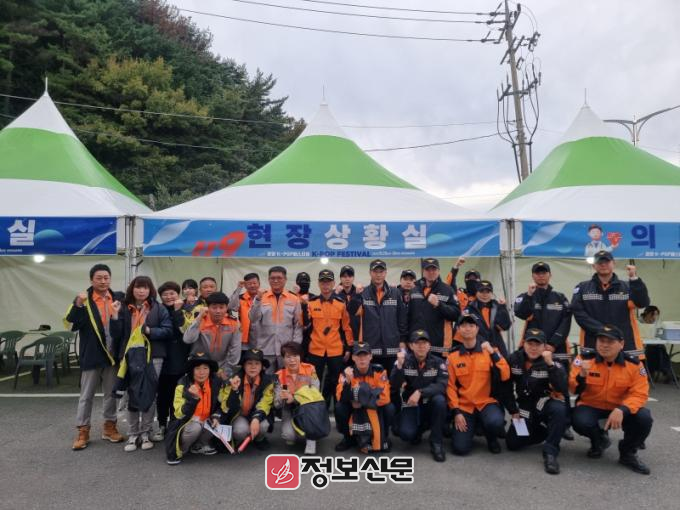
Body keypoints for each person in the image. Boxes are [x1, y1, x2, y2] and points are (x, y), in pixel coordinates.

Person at [569, 325, 653, 474]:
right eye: (601, 341)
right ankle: (599, 440)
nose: (605, 345)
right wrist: (581, 376)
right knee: (579, 420)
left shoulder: (634, 364)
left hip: (620, 408)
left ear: (621, 344)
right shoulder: (584, 359)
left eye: (610, 342)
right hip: (591, 405)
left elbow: (640, 394)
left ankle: (627, 453)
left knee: (644, 418)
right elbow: (572, 389)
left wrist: (623, 409)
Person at [64, 264, 124, 450]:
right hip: (91, 354)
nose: (103, 281)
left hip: (112, 355)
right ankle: (83, 430)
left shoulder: (119, 298)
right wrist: (77, 304)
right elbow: (69, 324)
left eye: (106, 277)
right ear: (91, 280)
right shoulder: (83, 300)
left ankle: (109, 427)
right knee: (86, 396)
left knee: (111, 394)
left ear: (110, 279)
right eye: (99, 278)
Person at [110, 276, 173, 452]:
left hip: (153, 356)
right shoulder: (123, 307)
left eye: (145, 288)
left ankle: (146, 432)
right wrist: (114, 316)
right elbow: (116, 334)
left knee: (149, 394)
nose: (141, 291)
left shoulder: (158, 308)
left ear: (150, 290)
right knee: (131, 394)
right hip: (129, 356)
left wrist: (150, 331)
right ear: (132, 289)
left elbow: (168, 331)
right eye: (138, 287)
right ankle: (133, 433)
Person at [514, 261, 575, 440]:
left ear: (550, 275)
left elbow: (566, 322)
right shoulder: (526, 296)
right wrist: (529, 295)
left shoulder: (560, 297)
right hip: (532, 349)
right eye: (537, 272)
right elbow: (520, 313)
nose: (541, 275)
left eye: (544, 272)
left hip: (557, 349)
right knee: (529, 384)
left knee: (561, 386)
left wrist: (553, 344)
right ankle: (531, 420)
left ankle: (564, 425)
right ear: (533, 276)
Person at [505, 328, 569, 475]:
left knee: (559, 409)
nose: (533, 348)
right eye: (530, 344)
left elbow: (562, 388)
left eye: (538, 345)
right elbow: (505, 387)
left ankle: (550, 452)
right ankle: (546, 432)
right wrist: (513, 410)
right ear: (523, 344)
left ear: (544, 346)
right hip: (524, 407)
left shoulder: (552, 361)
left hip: (544, 403)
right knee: (512, 443)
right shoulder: (514, 359)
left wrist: (551, 365)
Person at [447, 313, 510, 456]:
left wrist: (493, 353)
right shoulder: (453, 357)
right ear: (459, 330)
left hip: (486, 403)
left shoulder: (490, 351)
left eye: (471, 325)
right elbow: (450, 386)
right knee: (460, 448)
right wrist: (456, 412)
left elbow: (505, 374)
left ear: (477, 329)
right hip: (465, 406)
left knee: (495, 422)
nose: (467, 329)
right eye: (463, 326)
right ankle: (473, 428)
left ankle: (491, 438)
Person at [571, 250, 650, 358]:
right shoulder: (582, 287)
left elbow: (642, 303)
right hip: (592, 343)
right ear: (594, 266)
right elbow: (578, 313)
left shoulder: (628, 287)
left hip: (624, 344)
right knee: (591, 369)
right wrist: (602, 331)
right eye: (599, 262)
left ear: (614, 263)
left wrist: (634, 279)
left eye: (607, 262)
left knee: (627, 370)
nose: (603, 265)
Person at [391, 330, 448, 462]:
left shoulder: (438, 362)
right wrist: (399, 366)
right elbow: (394, 384)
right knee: (406, 434)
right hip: (412, 404)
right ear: (411, 346)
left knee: (440, 401)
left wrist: (420, 392)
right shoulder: (404, 361)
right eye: (417, 343)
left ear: (429, 346)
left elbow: (442, 385)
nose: (421, 346)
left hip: (430, 403)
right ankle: (420, 427)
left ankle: (436, 443)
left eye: (424, 343)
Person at [305, 269, 354, 407]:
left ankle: (336, 411)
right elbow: (305, 327)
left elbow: (346, 328)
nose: (325, 285)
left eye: (328, 282)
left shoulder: (341, 303)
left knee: (336, 382)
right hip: (315, 350)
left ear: (333, 283)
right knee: (313, 383)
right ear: (318, 284)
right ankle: (315, 411)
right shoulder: (311, 303)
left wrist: (348, 348)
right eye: (323, 282)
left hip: (335, 350)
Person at [350, 259, 408, 375]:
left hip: (392, 349)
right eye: (375, 272)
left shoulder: (395, 293)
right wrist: (356, 295)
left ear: (385, 273)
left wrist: (402, 340)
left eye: (381, 272)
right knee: (372, 384)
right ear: (370, 273)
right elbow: (351, 311)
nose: (378, 275)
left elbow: (402, 319)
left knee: (393, 383)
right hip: (370, 350)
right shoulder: (363, 293)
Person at [335, 342, 394, 453]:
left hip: (372, 407)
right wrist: (348, 382)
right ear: (353, 357)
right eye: (358, 355)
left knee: (389, 408)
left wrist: (362, 402)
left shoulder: (379, 371)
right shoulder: (346, 373)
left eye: (365, 355)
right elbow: (340, 397)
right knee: (340, 407)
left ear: (371, 356)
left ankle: (383, 436)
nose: (362, 359)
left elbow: (385, 397)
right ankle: (348, 438)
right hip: (354, 407)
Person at [165, 353, 224, 465]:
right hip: (187, 423)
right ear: (191, 370)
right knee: (195, 428)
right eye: (197, 368)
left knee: (217, 423)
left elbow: (221, 404)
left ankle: (199, 445)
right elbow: (179, 414)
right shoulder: (182, 384)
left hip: (206, 420)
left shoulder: (216, 382)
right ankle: (182, 448)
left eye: (205, 368)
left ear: (210, 370)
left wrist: (216, 416)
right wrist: (193, 399)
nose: (202, 372)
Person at [153, 281, 191, 442]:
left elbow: (185, 331)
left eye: (172, 293)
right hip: (162, 357)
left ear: (178, 294)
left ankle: (175, 425)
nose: (169, 297)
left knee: (179, 395)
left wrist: (177, 311)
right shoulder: (157, 310)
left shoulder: (186, 309)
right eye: (165, 294)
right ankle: (162, 425)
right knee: (163, 395)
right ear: (160, 296)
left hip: (180, 358)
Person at [249, 266, 303, 372]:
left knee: (286, 378)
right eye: (272, 278)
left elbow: (298, 325)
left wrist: (294, 347)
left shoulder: (294, 299)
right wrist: (258, 299)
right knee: (267, 379)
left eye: (279, 278)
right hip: (265, 349)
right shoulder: (261, 297)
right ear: (268, 280)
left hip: (287, 351)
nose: (276, 280)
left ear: (285, 279)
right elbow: (253, 318)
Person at [220, 349, 274, 451]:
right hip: (240, 415)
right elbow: (226, 407)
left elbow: (265, 403)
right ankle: (240, 439)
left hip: (257, 413)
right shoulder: (233, 380)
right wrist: (234, 390)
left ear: (262, 366)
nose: (253, 367)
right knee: (240, 431)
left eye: (257, 363)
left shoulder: (268, 381)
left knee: (263, 426)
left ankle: (259, 439)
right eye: (249, 363)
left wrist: (256, 418)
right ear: (244, 366)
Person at [274, 341, 321, 455]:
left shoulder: (310, 369)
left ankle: (311, 438)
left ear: (300, 356)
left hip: (308, 409)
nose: (292, 360)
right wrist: (281, 398)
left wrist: (294, 398)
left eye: (295, 356)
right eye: (288, 357)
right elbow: (276, 404)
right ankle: (295, 433)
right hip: (289, 410)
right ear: (283, 359)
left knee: (311, 416)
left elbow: (316, 393)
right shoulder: (280, 375)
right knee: (288, 436)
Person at [408, 258, 460, 357]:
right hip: (417, 345)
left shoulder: (447, 289)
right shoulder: (415, 289)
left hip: (438, 347)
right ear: (423, 271)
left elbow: (456, 314)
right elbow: (408, 316)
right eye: (428, 270)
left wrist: (439, 305)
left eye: (434, 269)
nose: (431, 272)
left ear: (439, 271)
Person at [183, 292, 241, 380]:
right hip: (200, 365)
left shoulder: (233, 323)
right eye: (214, 307)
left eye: (221, 307)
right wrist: (199, 317)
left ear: (226, 308)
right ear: (208, 307)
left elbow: (235, 350)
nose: (218, 311)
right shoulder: (201, 320)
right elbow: (187, 339)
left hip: (222, 367)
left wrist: (227, 371)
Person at [461, 280, 511, 358]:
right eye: (482, 291)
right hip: (478, 347)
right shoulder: (469, 309)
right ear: (476, 292)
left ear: (491, 293)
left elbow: (505, 326)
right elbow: (464, 330)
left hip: (497, 347)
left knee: (505, 364)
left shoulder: (498, 306)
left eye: (487, 291)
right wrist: (482, 342)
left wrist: (502, 308)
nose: (485, 294)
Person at [228, 273, 261, 349]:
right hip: (244, 338)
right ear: (245, 286)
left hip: (261, 337)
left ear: (259, 284)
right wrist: (239, 288)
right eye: (249, 284)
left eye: (254, 283)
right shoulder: (240, 298)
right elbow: (230, 307)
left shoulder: (265, 297)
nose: (252, 285)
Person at [640, 305, 670, 382]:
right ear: (647, 314)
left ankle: (665, 371)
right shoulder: (638, 322)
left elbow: (658, 334)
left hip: (653, 345)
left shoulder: (657, 323)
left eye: (656, 315)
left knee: (660, 348)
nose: (654, 318)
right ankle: (665, 371)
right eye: (652, 315)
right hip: (642, 346)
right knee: (654, 350)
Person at [334, 265, 361, 342]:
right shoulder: (333, 294)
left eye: (350, 276)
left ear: (353, 278)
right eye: (344, 276)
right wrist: (335, 294)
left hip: (356, 335)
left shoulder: (360, 293)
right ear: (340, 278)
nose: (347, 279)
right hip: (338, 337)